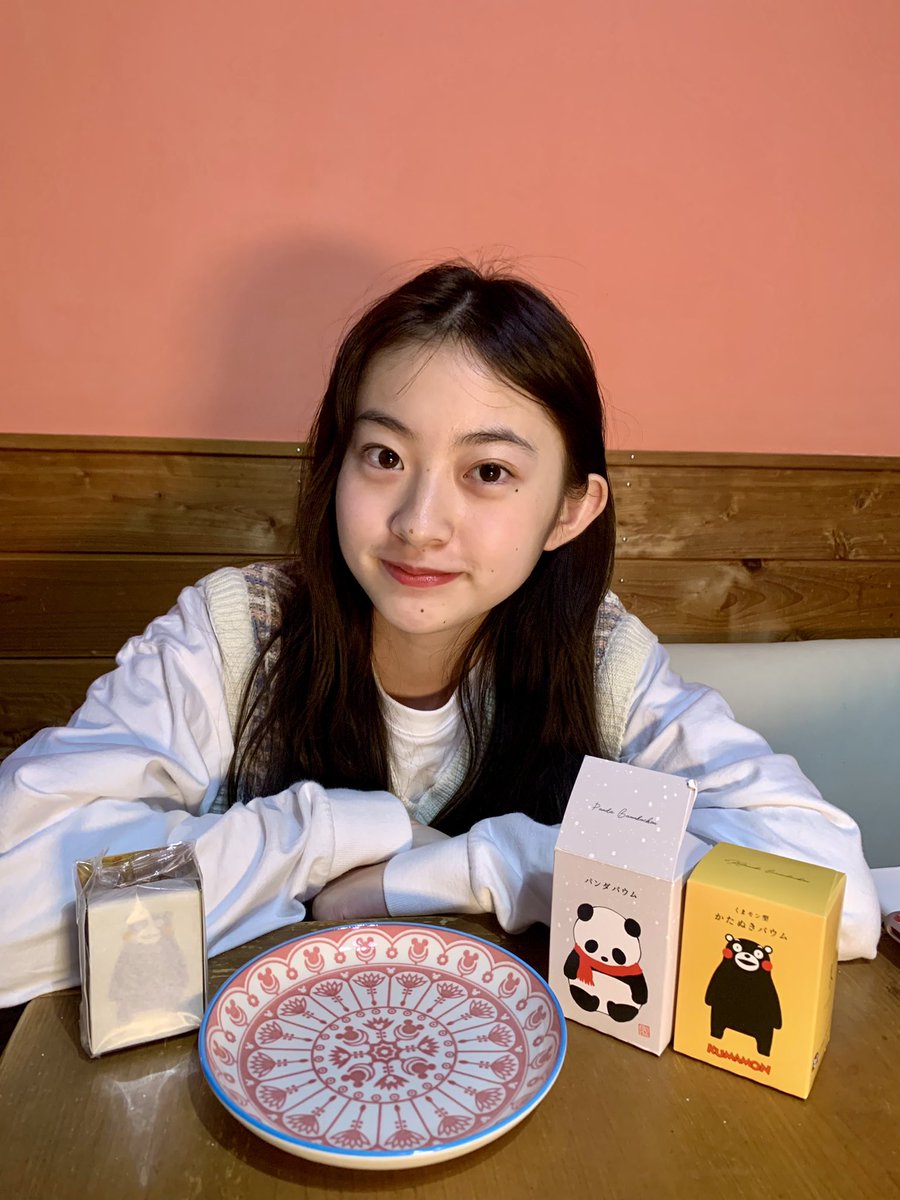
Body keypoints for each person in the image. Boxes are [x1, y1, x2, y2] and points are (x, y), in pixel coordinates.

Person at [0, 262, 881, 1007]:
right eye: (384, 457)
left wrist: (483, 866)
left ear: (570, 510)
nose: (420, 524)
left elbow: (827, 893)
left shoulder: (601, 662)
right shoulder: (235, 636)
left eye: (488, 471)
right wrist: (335, 835)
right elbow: (14, 896)